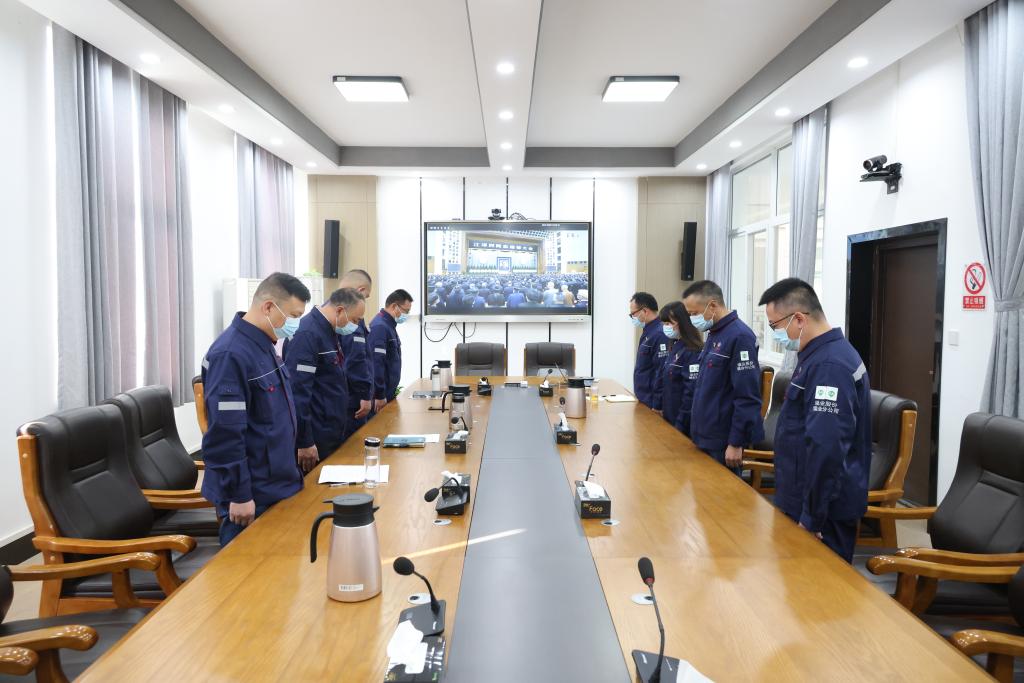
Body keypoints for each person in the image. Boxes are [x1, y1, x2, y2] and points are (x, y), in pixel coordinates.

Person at [759, 278, 871, 562]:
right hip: (803, 500)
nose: (775, 335)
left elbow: (826, 447)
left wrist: (811, 517)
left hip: (822, 514)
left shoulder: (830, 366)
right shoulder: (817, 356)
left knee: (818, 587)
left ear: (799, 319)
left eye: (775, 326)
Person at [200, 272, 311, 546]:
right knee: (246, 569)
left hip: (278, 483)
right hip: (252, 495)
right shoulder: (231, 354)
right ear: (269, 307)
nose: (296, 324)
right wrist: (239, 494)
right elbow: (225, 432)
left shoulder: (264, 345)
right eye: (293, 315)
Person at [682, 280, 763, 471]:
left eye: (694, 313)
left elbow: (747, 396)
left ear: (712, 305)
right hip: (704, 435)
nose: (692, 319)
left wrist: (736, 442)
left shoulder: (740, 336)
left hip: (723, 441)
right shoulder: (715, 333)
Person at [284, 287, 366, 472]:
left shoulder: (329, 331)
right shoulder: (308, 334)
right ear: (340, 310)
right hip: (315, 437)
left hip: (330, 430)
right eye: (355, 320)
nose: (355, 326)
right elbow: (298, 392)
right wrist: (304, 441)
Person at [336, 270, 375, 439]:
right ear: (360, 290)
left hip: (343, 399)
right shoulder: (350, 318)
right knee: (354, 447)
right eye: (366, 296)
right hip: (354, 402)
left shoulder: (335, 313)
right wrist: (364, 395)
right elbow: (356, 360)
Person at [658, 301, 704, 436]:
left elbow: (690, 393)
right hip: (669, 417)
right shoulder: (675, 346)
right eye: (664, 323)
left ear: (682, 323)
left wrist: (680, 424)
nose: (665, 327)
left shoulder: (692, 351)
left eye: (669, 323)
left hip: (682, 423)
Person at [368, 289, 413, 409]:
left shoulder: (389, 326)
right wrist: (379, 394)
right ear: (394, 306)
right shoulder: (380, 327)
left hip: (389, 393)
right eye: (406, 311)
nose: (407, 315)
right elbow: (376, 362)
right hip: (380, 396)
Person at [630, 292, 670, 410]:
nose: (632, 318)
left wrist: (657, 404)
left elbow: (661, 371)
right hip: (643, 398)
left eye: (633, 314)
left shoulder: (659, 334)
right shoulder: (648, 331)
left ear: (645, 311)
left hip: (652, 401)